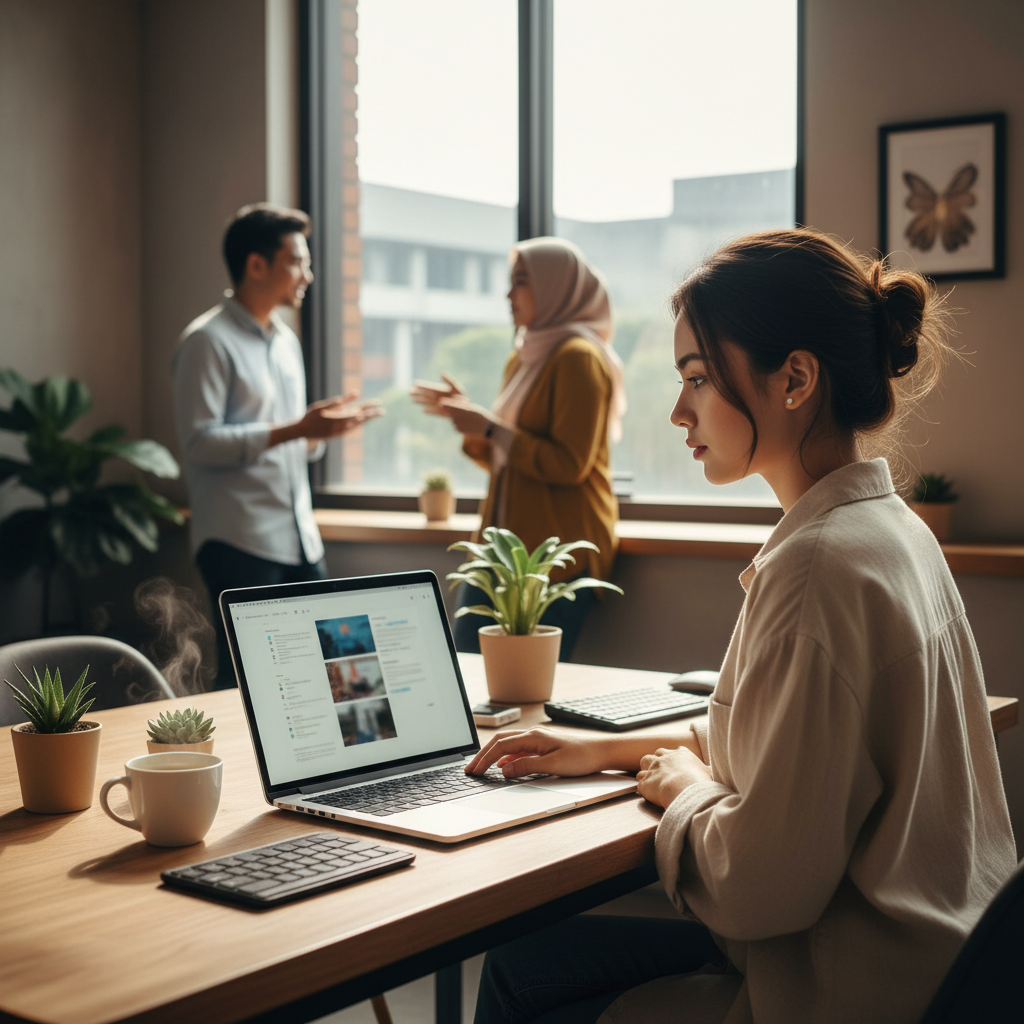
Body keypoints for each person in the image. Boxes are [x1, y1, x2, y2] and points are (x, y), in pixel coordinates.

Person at [465, 228, 1017, 1024]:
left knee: (524, 987)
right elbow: (788, 744)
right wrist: (605, 749)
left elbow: (762, 890)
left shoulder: (819, 568)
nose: (677, 408)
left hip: (843, 988)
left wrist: (685, 791)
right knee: (524, 965)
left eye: (698, 377)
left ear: (795, 379)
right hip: (939, 966)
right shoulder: (890, 529)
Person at [172, 203, 381, 689]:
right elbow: (199, 443)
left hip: (297, 536)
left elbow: (292, 440)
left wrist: (317, 433)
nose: (307, 275)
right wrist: (295, 430)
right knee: (252, 682)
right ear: (256, 265)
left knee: (339, 669)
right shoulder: (207, 342)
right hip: (239, 538)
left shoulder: (285, 342)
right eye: (297, 261)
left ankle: (355, 762)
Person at [411, 237, 626, 661]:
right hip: (502, 545)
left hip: (554, 552)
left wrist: (490, 428)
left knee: (524, 687)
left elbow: (569, 465)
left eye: (521, 282)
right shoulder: (526, 356)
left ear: (555, 287)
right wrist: (472, 422)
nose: (508, 294)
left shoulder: (578, 357)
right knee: (468, 667)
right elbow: (503, 459)